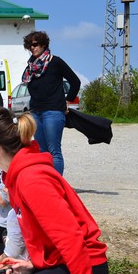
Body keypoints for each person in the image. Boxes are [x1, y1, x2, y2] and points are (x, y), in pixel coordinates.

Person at [0, 108, 108, 274]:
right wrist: (32, 264)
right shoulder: (16, 175)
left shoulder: (31, 178)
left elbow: (69, 235)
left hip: (86, 266)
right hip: (62, 263)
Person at [21, 31, 81, 175]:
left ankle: (57, 184)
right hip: (36, 113)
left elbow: (75, 82)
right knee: (41, 151)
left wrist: (67, 101)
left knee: (54, 150)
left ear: (43, 44)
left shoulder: (56, 62)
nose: (32, 48)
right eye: (29, 45)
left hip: (53, 112)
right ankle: (46, 183)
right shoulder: (31, 66)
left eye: (35, 44)